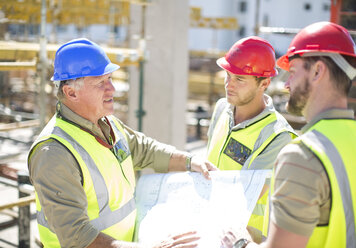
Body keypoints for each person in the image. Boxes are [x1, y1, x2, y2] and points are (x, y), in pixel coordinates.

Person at [27, 38, 217, 248]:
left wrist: (190, 161)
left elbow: (146, 150)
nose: (112, 89)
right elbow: (77, 237)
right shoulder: (53, 152)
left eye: (110, 79)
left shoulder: (108, 124)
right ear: (71, 92)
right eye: (101, 83)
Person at [222, 21, 356, 248]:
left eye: (292, 72)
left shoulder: (302, 156)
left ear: (317, 71)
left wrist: (240, 242)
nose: (287, 84)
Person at [206, 36, 296, 242]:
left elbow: (246, 194)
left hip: (244, 239)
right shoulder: (221, 108)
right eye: (228, 75)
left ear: (264, 83)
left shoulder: (277, 136)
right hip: (210, 228)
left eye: (239, 79)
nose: (229, 85)